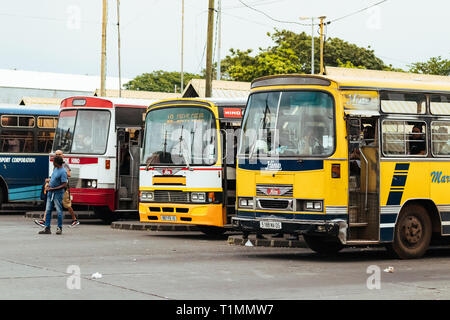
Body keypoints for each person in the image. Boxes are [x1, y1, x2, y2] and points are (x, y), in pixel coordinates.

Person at [35, 150, 79, 228]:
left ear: (63, 155)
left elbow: (68, 174)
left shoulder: (64, 165)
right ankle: (44, 221)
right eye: (56, 154)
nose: (57, 155)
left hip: (63, 189)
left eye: (59, 154)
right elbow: (54, 177)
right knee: (48, 206)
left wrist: (61, 171)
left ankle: (74, 220)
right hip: (53, 189)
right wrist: (49, 182)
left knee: (67, 205)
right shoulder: (55, 166)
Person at [38, 155, 67, 235]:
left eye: (54, 161)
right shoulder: (55, 169)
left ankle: (59, 228)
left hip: (57, 194)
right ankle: (47, 228)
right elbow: (53, 179)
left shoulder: (63, 171)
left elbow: (64, 184)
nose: (53, 162)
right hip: (50, 193)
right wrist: (49, 185)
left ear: (57, 163)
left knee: (59, 211)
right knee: (48, 210)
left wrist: (52, 189)